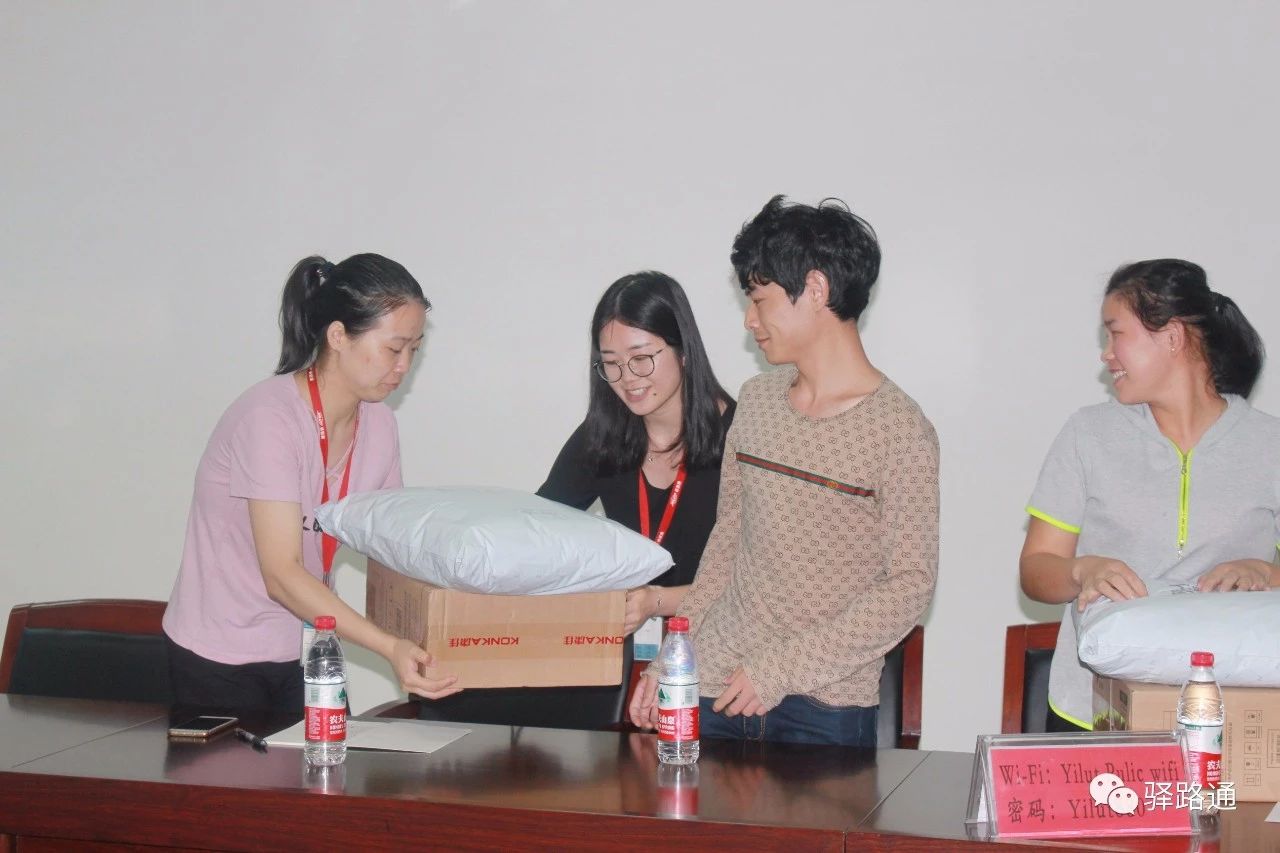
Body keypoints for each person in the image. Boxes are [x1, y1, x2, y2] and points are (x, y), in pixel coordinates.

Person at [630, 196, 940, 746]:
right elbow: (727, 544)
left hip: (823, 705)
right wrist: (672, 660)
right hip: (714, 685)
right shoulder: (756, 401)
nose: (750, 321)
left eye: (759, 299)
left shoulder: (900, 429)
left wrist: (780, 670)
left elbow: (909, 587)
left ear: (815, 289)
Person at [163, 254, 460, 712]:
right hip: (220, 655)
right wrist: (388, 646)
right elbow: (281, 575)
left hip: (308, 646)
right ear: (338, 336)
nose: (404, 366)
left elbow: (393, 547)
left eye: (414, 350)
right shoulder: (269, 419)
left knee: (330, 758)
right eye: (394, 348)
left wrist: (453, 621)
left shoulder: (379, 424)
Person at [1020, 258, 1278, 732]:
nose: (1106, 354)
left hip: (1234, 718)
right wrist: (1082, 570)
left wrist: (1267, 573)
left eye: (1116, 333)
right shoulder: (1088, 434)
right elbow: (1036, 570)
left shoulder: (1270, 445)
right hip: (1094, 712)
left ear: (1173, 336)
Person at [538, 271, 735, 636]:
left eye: (641, 358)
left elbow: (762, 579)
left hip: (720, 642)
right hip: (629, 646)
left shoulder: (741, 438)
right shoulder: (603, 435)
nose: (627, 378)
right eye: (611, 363)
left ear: (683, 351)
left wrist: (657, 601)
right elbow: (541, 525)